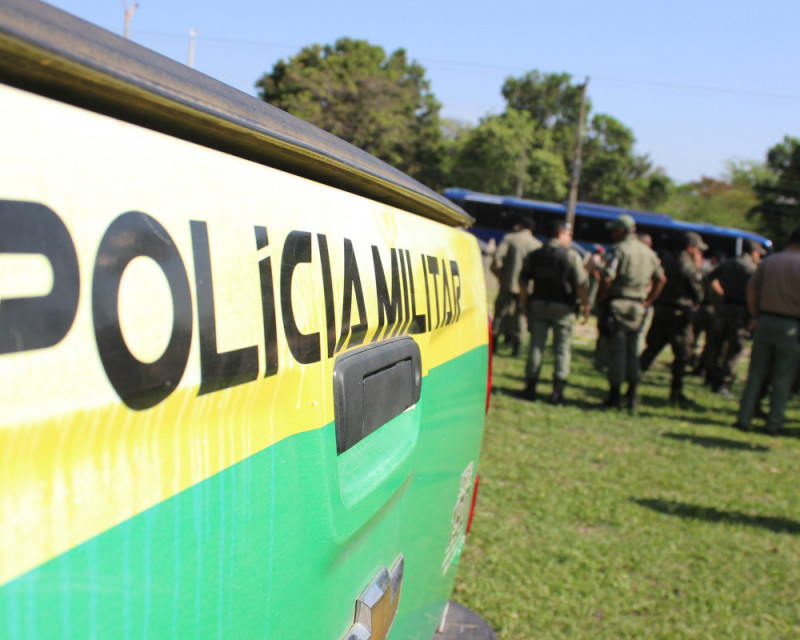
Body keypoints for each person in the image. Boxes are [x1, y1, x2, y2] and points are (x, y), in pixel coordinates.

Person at [597, 214, 666, 411]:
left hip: (618, 304)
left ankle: (615, 395)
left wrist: (602, 296)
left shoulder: (618, 250)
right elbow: (661, 279)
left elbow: (607, 277)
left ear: (620, 231)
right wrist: (649, 300)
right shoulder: (649, 253)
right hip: (638, 306)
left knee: (617, 350)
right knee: (634, 350)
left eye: (614, 230)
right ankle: (633, 394)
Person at [735, 227, 800, 435]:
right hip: (791, 325)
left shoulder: (769, 261)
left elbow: (751, 288)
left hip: (765, 320)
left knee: (756, 372)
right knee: (783, 376)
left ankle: (743, 418)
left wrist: (755, 315)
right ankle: (773, 423)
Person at [517, 220, 589, 404]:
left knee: (536, 346)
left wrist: (525, 305)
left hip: (538, 305)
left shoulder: (535, 255)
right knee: (562, 349)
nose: (570, 239)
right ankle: (557, 392)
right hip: (563, 308)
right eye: (568, 235)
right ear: (560, 234)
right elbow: (581, 284)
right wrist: (586, 305)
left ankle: (530, 388)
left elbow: (523, 282)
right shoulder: (571, 256)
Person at [639, 231, 706, 404]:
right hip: (679, 314)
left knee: (651, 348)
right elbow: (697, 293)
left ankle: (633, 382)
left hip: (662, 309)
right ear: (690, 247)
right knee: (682, 354)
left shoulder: (667, 259)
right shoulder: (688, 265)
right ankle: (676, 392)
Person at [706, 239, 766, 397]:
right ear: (753, 252)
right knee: (735, 350)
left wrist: (718, 296)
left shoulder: (728, 263)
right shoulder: (752, 269)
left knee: (717, 345)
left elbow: (709, 278)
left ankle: (710, 376)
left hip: (723, 309)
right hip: (740, 313)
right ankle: (723, 383)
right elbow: (754, 292)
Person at [490, 216, 541, 356]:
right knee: (521, 317)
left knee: (500, 314)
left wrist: (499, 275)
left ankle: (494, 345)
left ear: (521, 226)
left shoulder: (510, 238)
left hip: (508, 283)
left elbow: (496, 257)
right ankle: (516, 347)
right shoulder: (536, 244)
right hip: (526, 287)